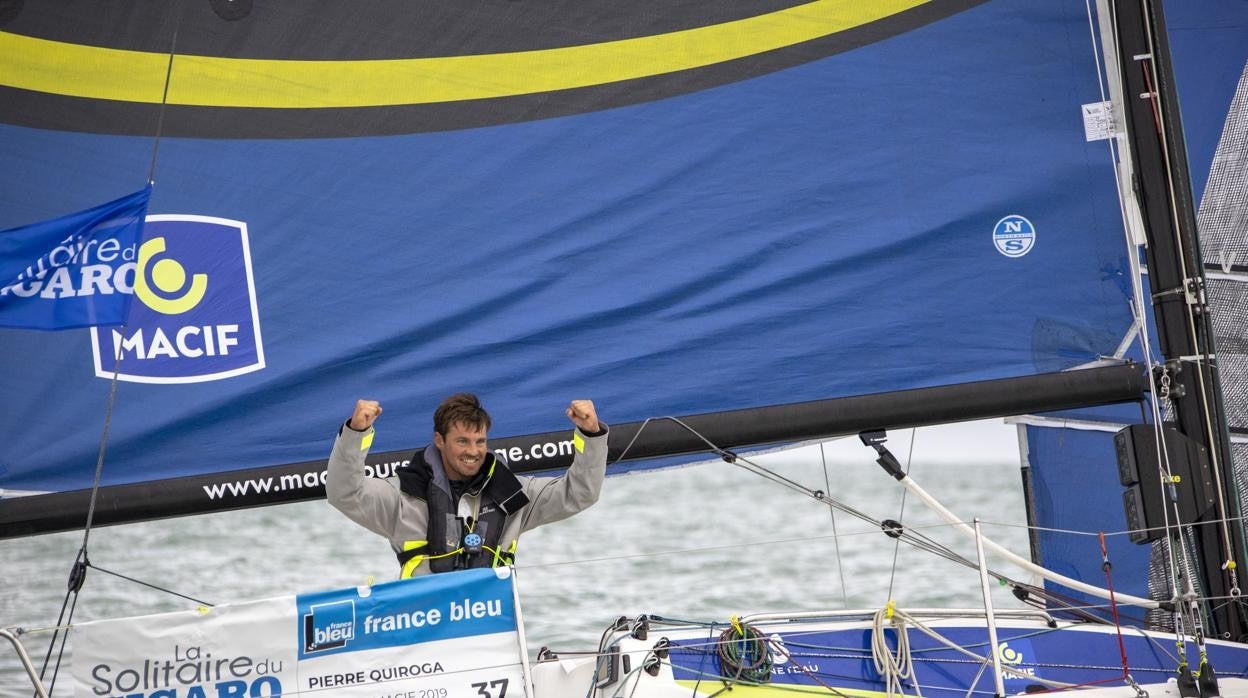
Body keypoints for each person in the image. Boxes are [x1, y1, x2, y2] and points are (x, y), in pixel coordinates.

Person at [327, 393, 608, 578]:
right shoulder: (402, 498)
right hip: (423, 641)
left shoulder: (514, 495)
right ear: (440, 440)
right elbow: (344, 492)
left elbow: (580, 493)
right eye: (462, 441)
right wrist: (356, 434)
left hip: (493, 637)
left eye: (480, 441)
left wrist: (590, 434)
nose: (473, 451)